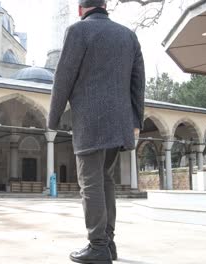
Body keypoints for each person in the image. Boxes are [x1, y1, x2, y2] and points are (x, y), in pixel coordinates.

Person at [47, 0, 145, 263]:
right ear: (104, 5)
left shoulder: (78, 31)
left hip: (90, 121)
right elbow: (138, 82)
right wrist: (136, 120)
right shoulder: (129, 35)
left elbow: (63, 77)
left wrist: (53, 119)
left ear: (81, 9)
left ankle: (98, 245)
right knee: (105, 180)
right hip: (120, 122)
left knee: (90, 183)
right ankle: (108, 243)